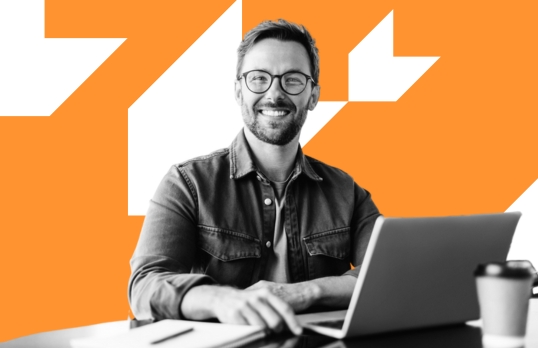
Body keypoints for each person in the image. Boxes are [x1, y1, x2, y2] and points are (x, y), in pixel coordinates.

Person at [128, 19, 380, 335]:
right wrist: (221, 299)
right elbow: (145, 285)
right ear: (238, 91)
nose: (274, 94)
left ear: (313, 96)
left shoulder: (346, 191)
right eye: (259, 78)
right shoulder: (188, 183)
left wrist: (304, 292)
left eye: (292, 80)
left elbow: (387, 276)